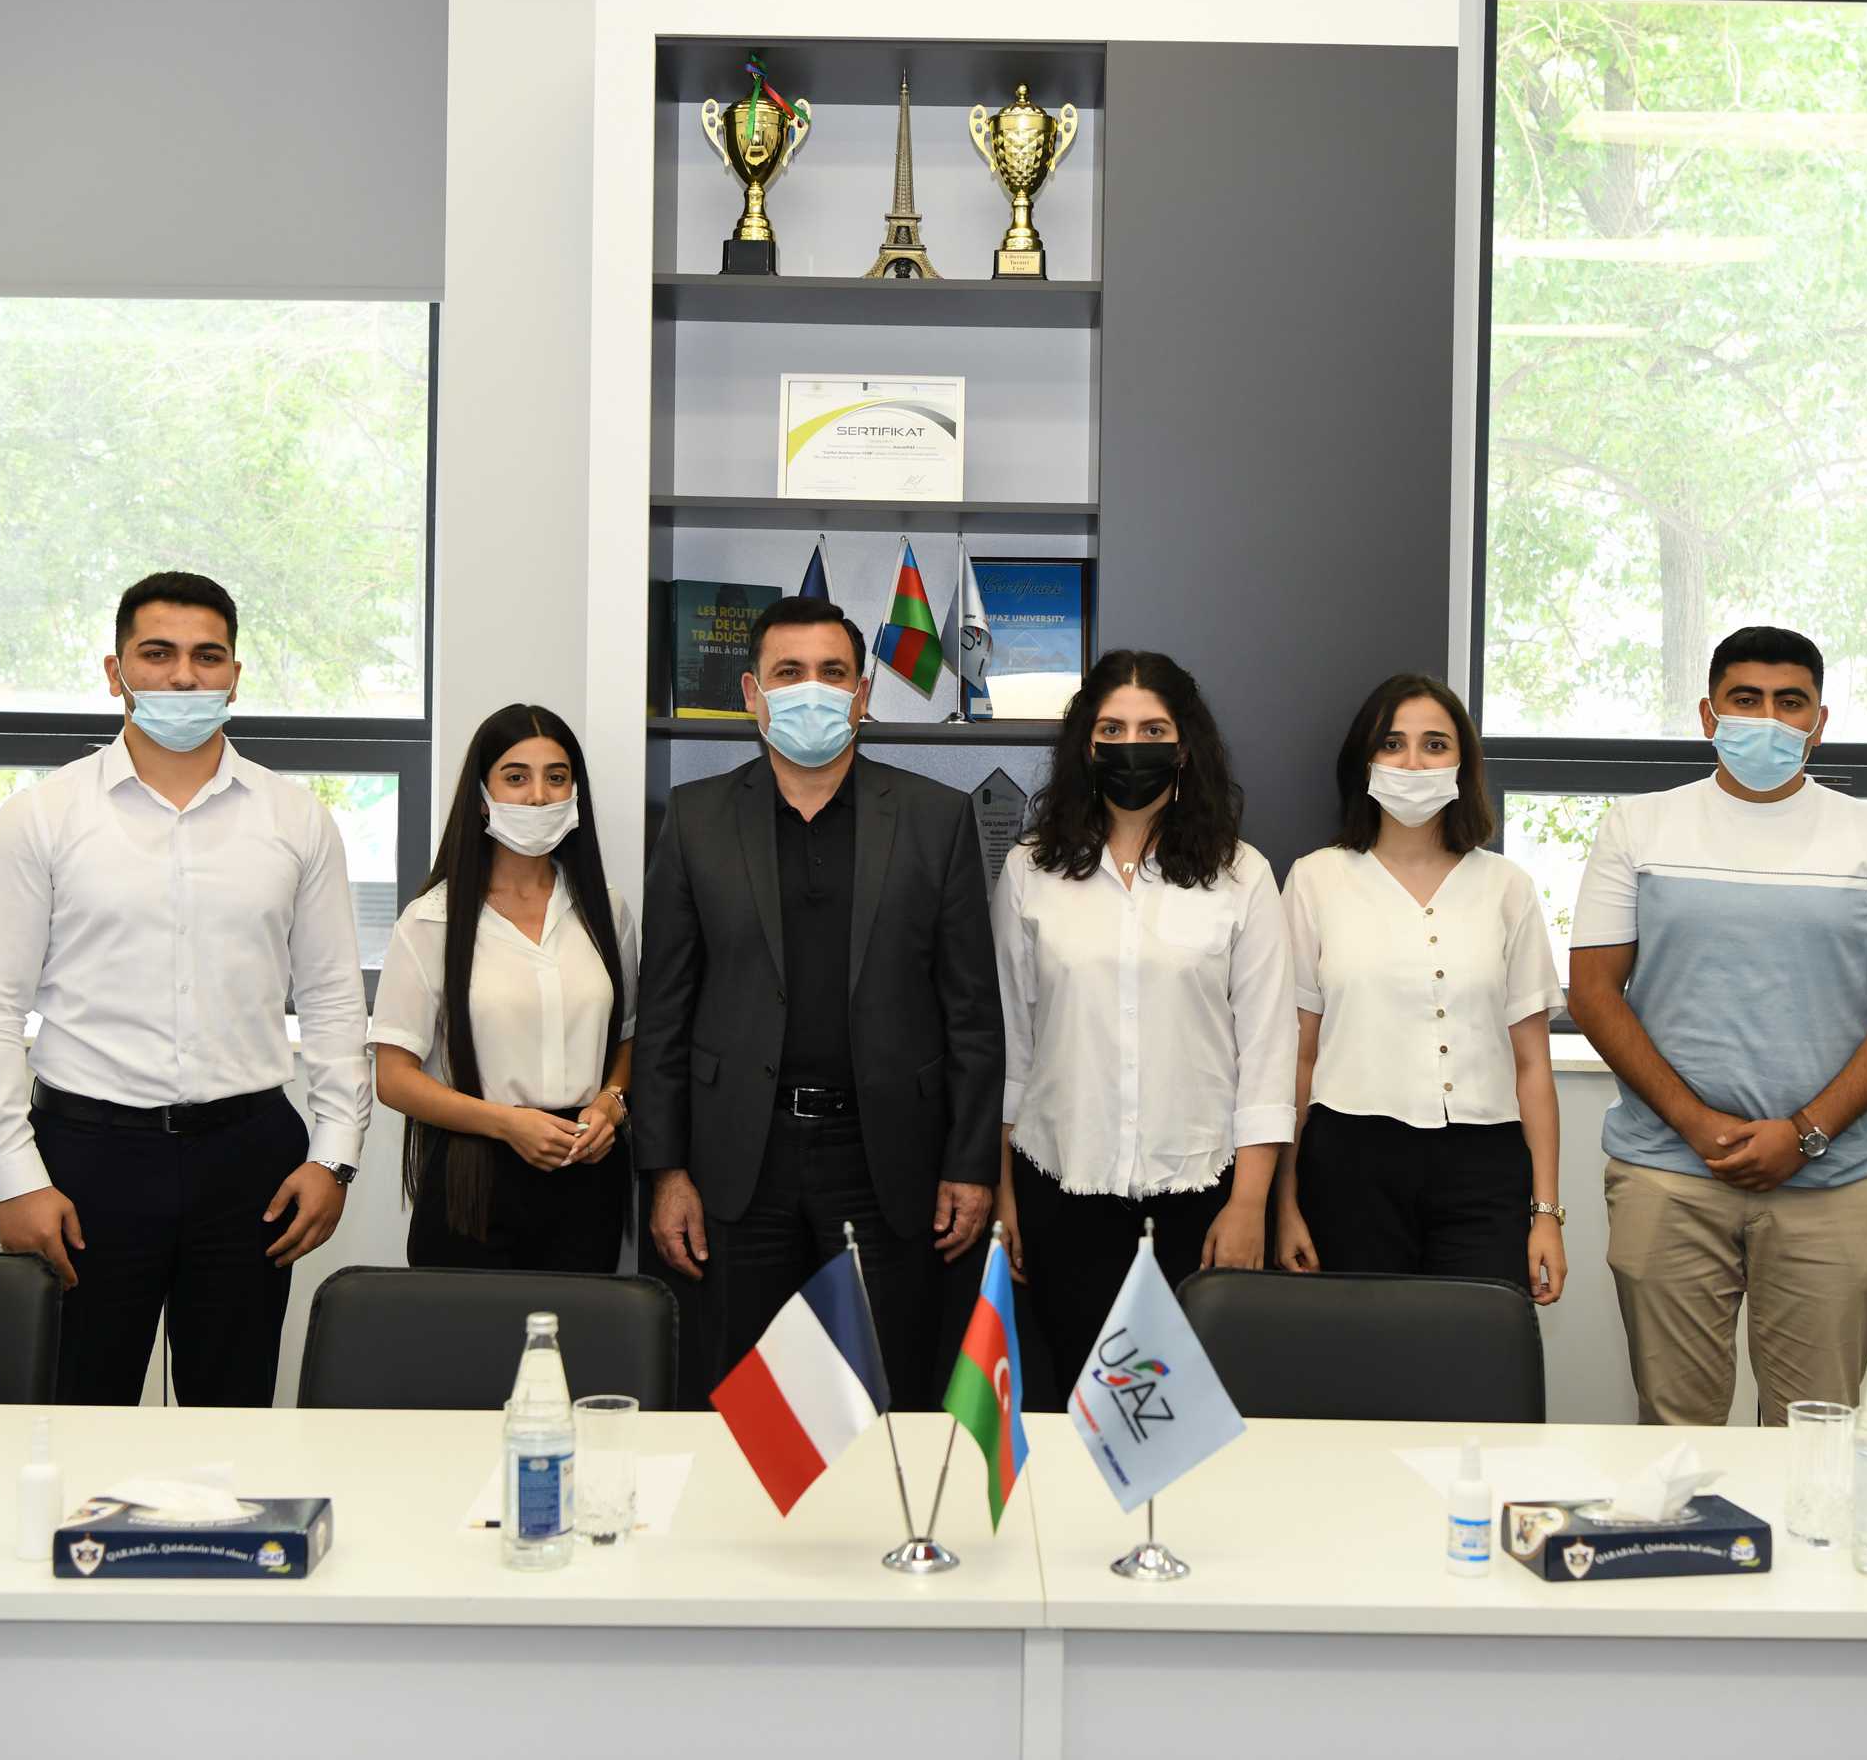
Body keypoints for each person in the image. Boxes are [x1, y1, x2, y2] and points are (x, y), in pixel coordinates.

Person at [0, 571, 371, 1405]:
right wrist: (15, 1175)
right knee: (79, 1408)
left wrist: (335, 1154)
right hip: (86, 1156)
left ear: (234, 676)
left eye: (207, 656)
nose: (183, 676)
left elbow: (331, 999)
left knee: (233, 1411)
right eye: (158, 653)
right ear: (116, 672)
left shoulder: (295, 819)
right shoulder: (41, 817)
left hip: (249, 1159)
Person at [1569, 625, 1867, 1427]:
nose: (1767, 719)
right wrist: (1695, 1123)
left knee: (1817, 1428)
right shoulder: (1637, 828)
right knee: (1675, 1428)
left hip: (1830, 1183)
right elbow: (1593, 994)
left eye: (1789, 702)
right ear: (1708, 715)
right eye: (1745, 699)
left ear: (1819, 721)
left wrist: (1805, 1134)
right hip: (1667, 1175)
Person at [635, 595, 1003, 1409]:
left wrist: (969, 1165)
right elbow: (663, 1009)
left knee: (881, 1392)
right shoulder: (695, 819)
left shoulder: (935, 819)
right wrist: (665, 1171)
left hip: (887, 1159)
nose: (812, 689)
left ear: (862, 693)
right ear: (751, 693)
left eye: (832, 672)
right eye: (788, 672)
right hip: (737, 1160)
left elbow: (972, 1013)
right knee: (741, 1399)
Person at [993, 649, 1297, 1391]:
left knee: (1183, 1419)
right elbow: (1010, 1045)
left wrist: (1250, 1202)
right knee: (1082, 1411)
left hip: (1203, 1196)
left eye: (1153, 730)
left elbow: (1267, 1052)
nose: (1133, 746)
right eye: (1113, 729)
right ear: (1086, 746)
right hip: (1061, 1191)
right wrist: (1004, 1193)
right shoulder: (1030, 870)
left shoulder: (1243, 874)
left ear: (1184, 746)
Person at [1276, 675, 1567, 1300]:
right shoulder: (1315, 880)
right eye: (1392, 744)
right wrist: (1286, 1199)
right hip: (1349, 1161)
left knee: (1478, 1348)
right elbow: (1298, 1055)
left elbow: (1533, 1066)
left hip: (1485, 1166)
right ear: (1365, 760)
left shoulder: (1507, 887)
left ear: (1463, 763)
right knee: (1363, 1350)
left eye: (1435, 744)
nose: (1413, 762)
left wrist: (1546, 1213)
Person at [371, 704, 638, 1272]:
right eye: (516, 777)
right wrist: (507, 1124)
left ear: (575, 792)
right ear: (481, 796)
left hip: (588, 1178)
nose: (539, 796)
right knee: (471, 1332)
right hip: (472, 1178)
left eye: (556, 777)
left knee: (583, 1330)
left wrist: (610, 1104)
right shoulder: (432, 919)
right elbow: (393, 1079)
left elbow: (627, 1038)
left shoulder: (606, 910)